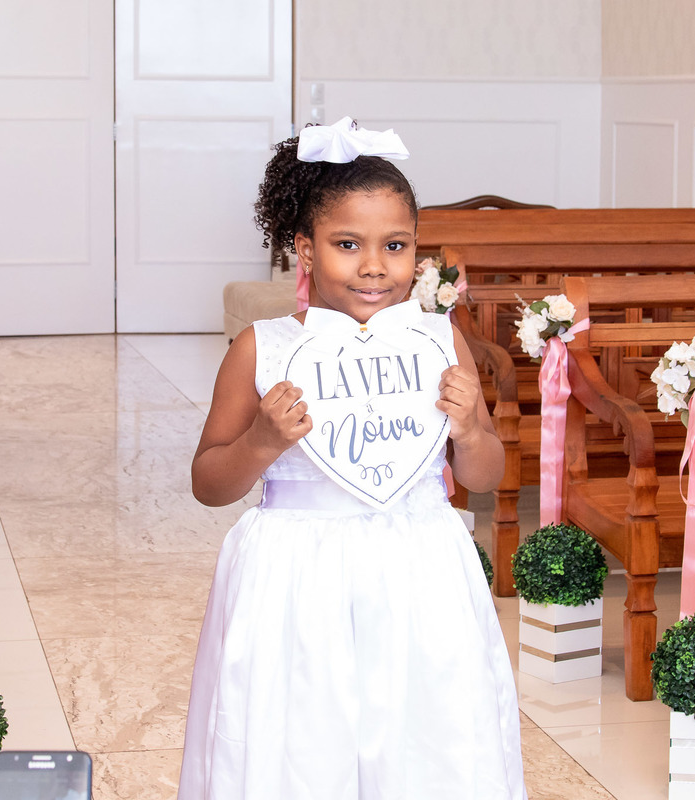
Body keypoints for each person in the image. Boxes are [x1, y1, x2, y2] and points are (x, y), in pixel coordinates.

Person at [177, 120, 526, 799]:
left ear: (417, 249)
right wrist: (261, 443)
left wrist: (468, 432)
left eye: (395, 246)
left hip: (420, 566)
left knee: (427, 732)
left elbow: (485, 476)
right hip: (297, 574)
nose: (374, 266)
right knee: (303, 737)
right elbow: (208, 482)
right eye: (347, 245)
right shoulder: (262, 348)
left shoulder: (438, 340)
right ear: (305, 250)